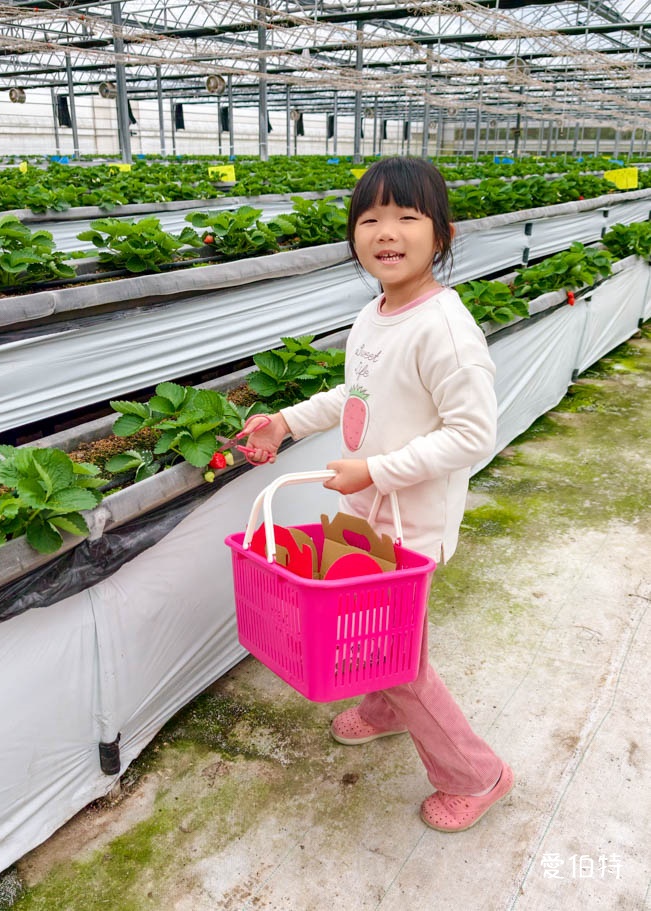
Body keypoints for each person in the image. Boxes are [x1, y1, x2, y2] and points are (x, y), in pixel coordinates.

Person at [245, 156, 514, 832]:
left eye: (406, 216)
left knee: (401, 657)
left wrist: (378, 470)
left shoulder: (444, 330)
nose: (385, 232)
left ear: (442, 233)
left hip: (412, 520)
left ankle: (474, 773)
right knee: (381, 635)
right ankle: (389, 706)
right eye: (369, 218)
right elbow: (354, 395)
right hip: (372, 513)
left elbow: (472, 434)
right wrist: (283, 422)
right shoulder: (376, 313)